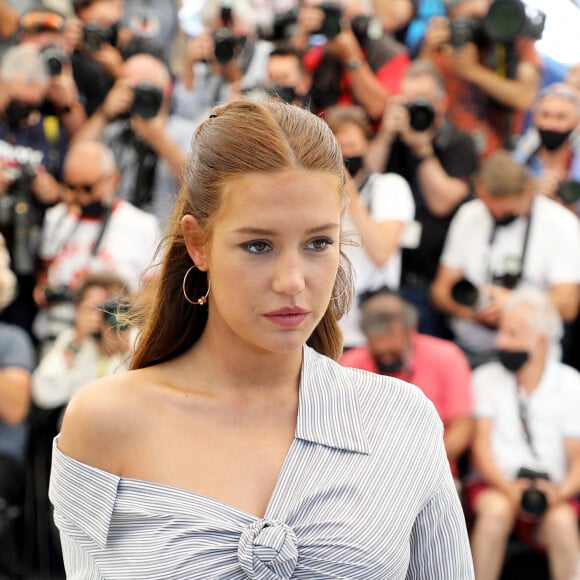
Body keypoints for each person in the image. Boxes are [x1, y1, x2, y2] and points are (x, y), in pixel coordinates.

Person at [49, 99, 473, 578]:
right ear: (198, 243)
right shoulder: (106, 421)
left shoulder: (400, 419)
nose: (292, 281)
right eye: (258, 245)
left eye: (318, 243)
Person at [468, 289, 580, 580]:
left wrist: (559, 492)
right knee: (495, 512)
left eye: (512, 333)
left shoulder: (571, 384)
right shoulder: (485, 379)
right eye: (502, 331)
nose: (500, 341)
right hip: (495, 486)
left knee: (563, 522)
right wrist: (508, 489)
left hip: (554, 491)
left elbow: (577, 456)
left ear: (541, 342)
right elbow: (480, 447)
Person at [431, 151, 580, 368]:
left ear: (528, 193)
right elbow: (440, 292)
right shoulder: (470, 214)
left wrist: (513, 304)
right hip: (468, 350)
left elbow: (568, 306)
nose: (494, 215)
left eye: (505, 212)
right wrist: (474, 311)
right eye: (488, 207)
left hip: (529, 357)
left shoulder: (560, 223)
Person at [365, 60, 479, 337]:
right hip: (385, 278)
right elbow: (364, 181)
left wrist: (422, 147)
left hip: (430, 280)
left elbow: (442, 202)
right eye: (407, 100)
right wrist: (385, 135)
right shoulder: (394, 138)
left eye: (423, 100)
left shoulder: (459, 142)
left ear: (442, 102)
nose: (415, 107)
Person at [33, 141, 160, 346]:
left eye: (88, 188)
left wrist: (114, 307)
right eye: (71, 187)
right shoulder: (56, 218)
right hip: (60, 337)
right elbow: (43, 279)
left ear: (113, 180)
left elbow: (155, 292)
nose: (80, 197)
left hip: (115, 339)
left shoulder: (142, 225)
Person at [341, 286, 473, 477]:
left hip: (433, 473)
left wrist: (418, 468)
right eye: (379, 355)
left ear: (411, 331)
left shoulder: (446, 357)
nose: (386, 359)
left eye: (394, 353)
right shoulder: (350, 366)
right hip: (368, 474)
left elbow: (462, 428)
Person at [325, 105, 415, 349]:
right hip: (327, 330)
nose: (346, 156)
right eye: (339, 150)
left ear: (367, 145)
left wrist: (350, 192)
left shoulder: (389, 186)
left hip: (371, 332)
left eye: (352, 147)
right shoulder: (318, 194)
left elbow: (381, 251)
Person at [72, 52, 198, 223]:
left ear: (167, 88)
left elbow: (198, 184)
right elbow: (75, 161)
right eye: (131, 88)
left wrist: (158, 138)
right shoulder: (117, 131)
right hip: (119, 234)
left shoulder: (187, 131)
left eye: (146, 87)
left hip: (165, 237)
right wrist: (103, 114)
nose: (140, 95)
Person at [418, 0, 542, 158]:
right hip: (442, 145)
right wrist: (427, 51)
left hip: (492, 155)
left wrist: (473, 71)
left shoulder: (514, 33)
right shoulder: (449, 35)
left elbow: (524, 97)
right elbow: (417, 88)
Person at [32, 271, 131, 413]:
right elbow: (43, 394)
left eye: (110, 308)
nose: (103, 316)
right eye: (95, 308)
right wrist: (76, 342)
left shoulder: (137, 340)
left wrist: (125, 351)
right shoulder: (71, 339)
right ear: (78, 311)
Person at [513, 83, 580, 215]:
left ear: (576, 121)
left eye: (561, 117)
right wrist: (532, 190)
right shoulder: (516, 162)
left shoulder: (576, 164)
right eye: (545, 115)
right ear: (535, 118)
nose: (551, 124)